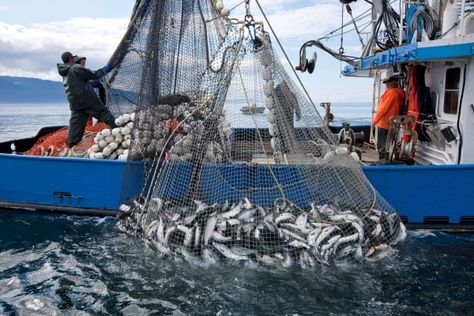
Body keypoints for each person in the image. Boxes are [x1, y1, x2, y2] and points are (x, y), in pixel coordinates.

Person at [57, 51, 116, 147]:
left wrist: (93, 83)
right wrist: (107, 68)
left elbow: (79, 82)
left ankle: (71, 145)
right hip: (88, 101)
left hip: (75, 104)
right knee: (104, 114)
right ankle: (119, 129)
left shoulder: (64, 73)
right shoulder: (76, 67)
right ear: (71, 59)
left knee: (75, 128)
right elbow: (95, 74)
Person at [373, 75, 405, 159]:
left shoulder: (392, 93)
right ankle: (388, 159)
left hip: (384, 123)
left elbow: (383, 108)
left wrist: (375, 121)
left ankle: (382, 161)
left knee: (382, 145)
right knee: (390, 144)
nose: (387, 85)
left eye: (388, 83)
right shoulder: (400, 93)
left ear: (393, 83)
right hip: (393, 123)